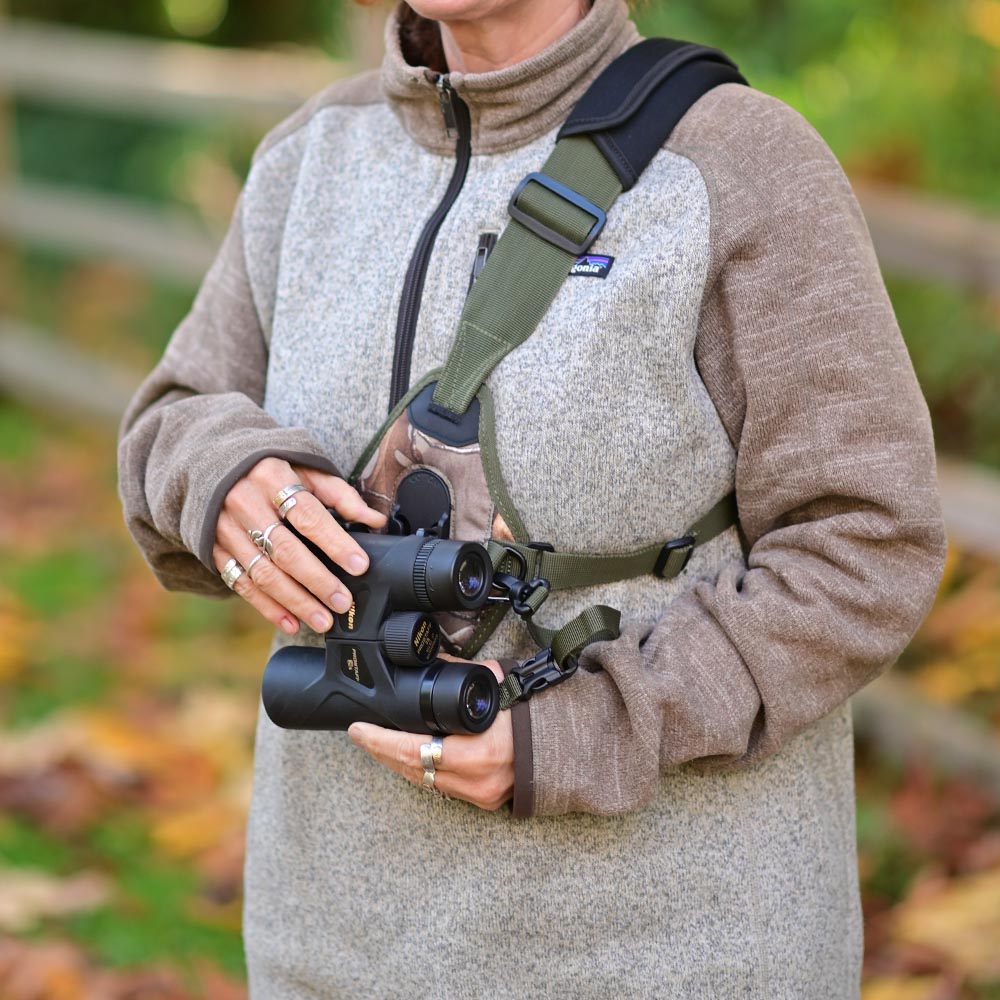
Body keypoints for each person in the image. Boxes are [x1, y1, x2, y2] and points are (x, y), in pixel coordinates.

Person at [117, 0, 947, 996]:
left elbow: (865, 541)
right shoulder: (310, 158)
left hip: (664, 951)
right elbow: (170, 415)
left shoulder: (738, 163)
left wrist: (590, 730)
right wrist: (222, 472)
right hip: (330, 945)